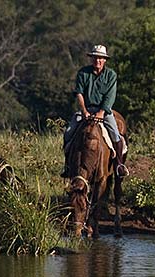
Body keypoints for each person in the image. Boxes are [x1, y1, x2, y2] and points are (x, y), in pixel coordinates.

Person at [62, 44, 129, 178]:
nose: (97, 60)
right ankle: (68, 166)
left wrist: (101, 113)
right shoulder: (83, 73)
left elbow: (110, 96)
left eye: (100, 58)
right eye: (95, 57)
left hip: (104, 111)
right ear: (91, 59)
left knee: (116, 135)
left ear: (105, 60)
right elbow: (79, 93)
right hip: (86, 109)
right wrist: (84, 111)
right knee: (69, 133)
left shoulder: (111, 75)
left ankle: (119, 165)